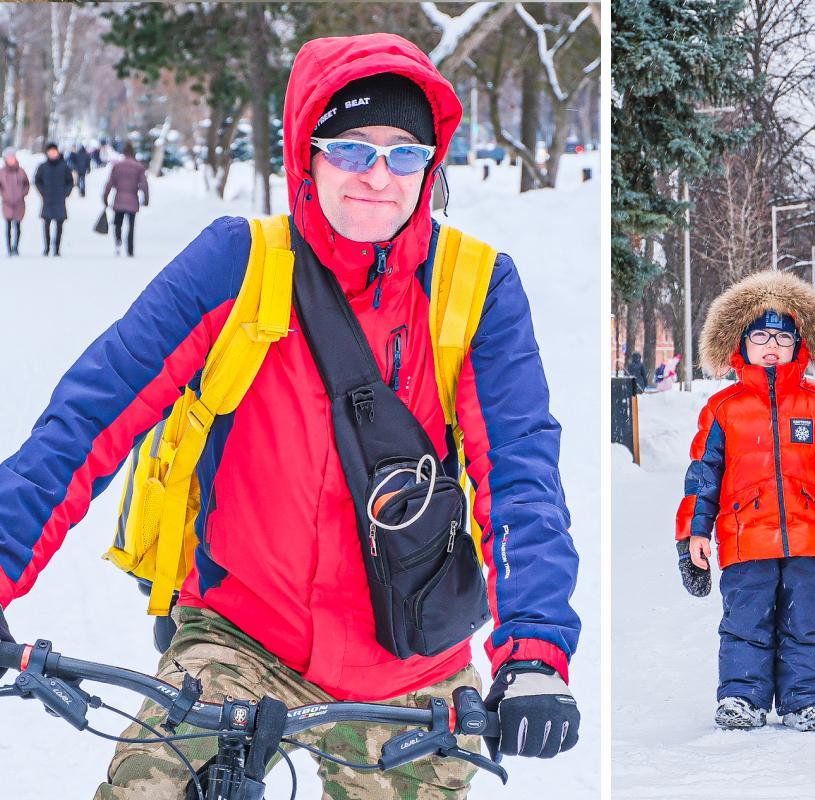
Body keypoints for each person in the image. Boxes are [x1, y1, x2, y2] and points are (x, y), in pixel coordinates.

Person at [0, 33, 581, 797]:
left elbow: (519, 474)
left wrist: (533, 650)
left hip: (410, 662)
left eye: (405, 155)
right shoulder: (238, 262)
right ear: (306, 154)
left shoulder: (477, 289)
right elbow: (89, 419)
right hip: (240, 637)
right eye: (350, 149)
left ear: (430, 168)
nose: (378, 176)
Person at [674, 271, 815, 731]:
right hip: (744, 539)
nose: (771, 345)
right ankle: (742, 696)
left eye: (782, 336)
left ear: (800, 343)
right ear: (741, 342)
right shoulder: (724, 408)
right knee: (745, 623)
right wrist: (693, 533)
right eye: (760, 335)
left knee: (806, 623)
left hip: (808, 535)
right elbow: (703, 474)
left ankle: (807, 697)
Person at [102, 142, 149, 257]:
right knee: (131, 225)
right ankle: (130, 249)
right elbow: (144, 185)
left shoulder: (117, 166)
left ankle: (118, 241)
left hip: (119, 199)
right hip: (132, 199)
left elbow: (110, 183)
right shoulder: (138, 167)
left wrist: (105, 197)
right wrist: (146, 199)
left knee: (118, 223)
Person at [33, 141, 73, 256]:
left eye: (54, 151)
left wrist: (66, 193)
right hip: (48, 199)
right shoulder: (43, 167)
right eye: (50, 151)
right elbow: (37, 180)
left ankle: (57, 248)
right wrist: (43, 192)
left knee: (59, 225)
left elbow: (70, 181)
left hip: (60, 199)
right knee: (46, 224)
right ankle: (47, 247)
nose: (52, 153)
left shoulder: (64, 166)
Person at [0, 147, 30, 256]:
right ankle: (8, 248)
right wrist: (4, 195)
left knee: (17, 226)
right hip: (7, 203)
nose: (11, 159)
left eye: (12, 157)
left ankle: (15, 247)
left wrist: (23, 194)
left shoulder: (21, 171)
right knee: (8, 227)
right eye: (9, 157)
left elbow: (27, 184)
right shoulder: (2, 172)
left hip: (19, 203)